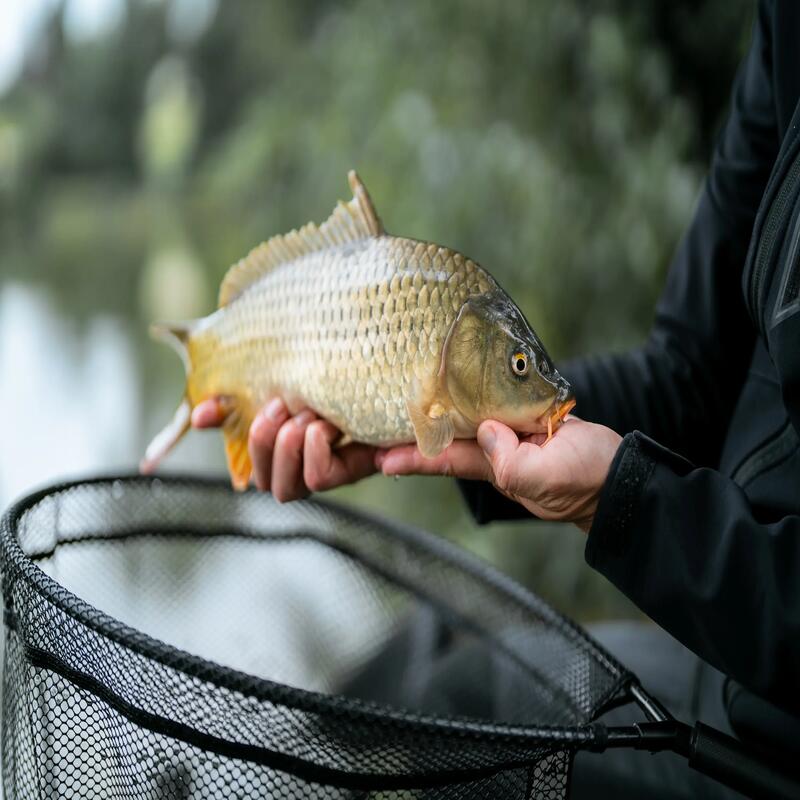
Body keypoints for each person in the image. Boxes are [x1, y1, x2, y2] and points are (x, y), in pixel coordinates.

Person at [191, 1, 800, 794]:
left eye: (520, 368)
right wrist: (494, 432)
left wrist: (617, 503)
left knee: (469, 726)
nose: (539, 388)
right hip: (734, 655)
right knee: (448, 669)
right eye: (518, 366)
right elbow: (690, 374)